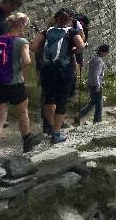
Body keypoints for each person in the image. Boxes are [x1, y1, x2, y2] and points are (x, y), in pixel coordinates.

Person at [0, 12, 43, 164]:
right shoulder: (22, 41)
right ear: (21, 25)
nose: (27, 28)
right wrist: (18, 69)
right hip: (15, 83)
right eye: (26, 25)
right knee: (23, 114)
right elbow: (27, 60)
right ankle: (27, 145)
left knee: (0, 118)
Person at [30, 9, 85, 144]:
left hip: (47, 69)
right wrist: (72, 51)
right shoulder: (71, 32)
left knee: (49, 98)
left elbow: (34, 46)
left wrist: (45, 54)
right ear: (69, 20)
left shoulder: (46, 31)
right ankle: (56, 133)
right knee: (62, 100)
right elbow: (81, 46)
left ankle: (50, 125)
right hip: (64, 69)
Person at [75, 43, 109, 125]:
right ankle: (97, 120)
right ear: (103, 52)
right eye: (107, 52)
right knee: (99, 104)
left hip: (90, 83)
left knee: (93, 102)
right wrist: (98, 87)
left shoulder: (93, 59)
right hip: (96, 85)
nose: (107, 54)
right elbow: (97, 75)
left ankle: (79, 115)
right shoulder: (99, 61)